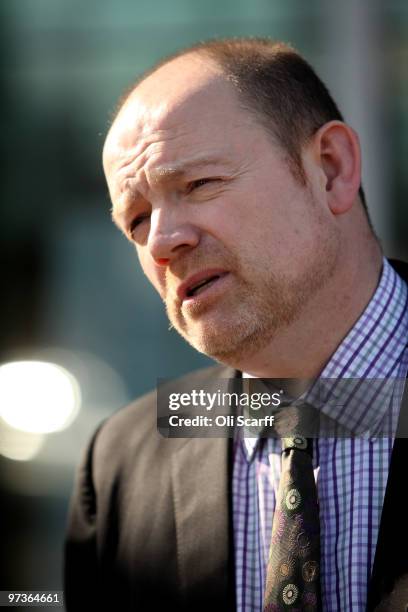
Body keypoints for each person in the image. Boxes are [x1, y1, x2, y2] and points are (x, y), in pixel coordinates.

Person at [64, 38, 408, 611]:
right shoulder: (119, 466)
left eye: (198, 185)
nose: (163, 243)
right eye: (137, 220)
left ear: (331, 169)